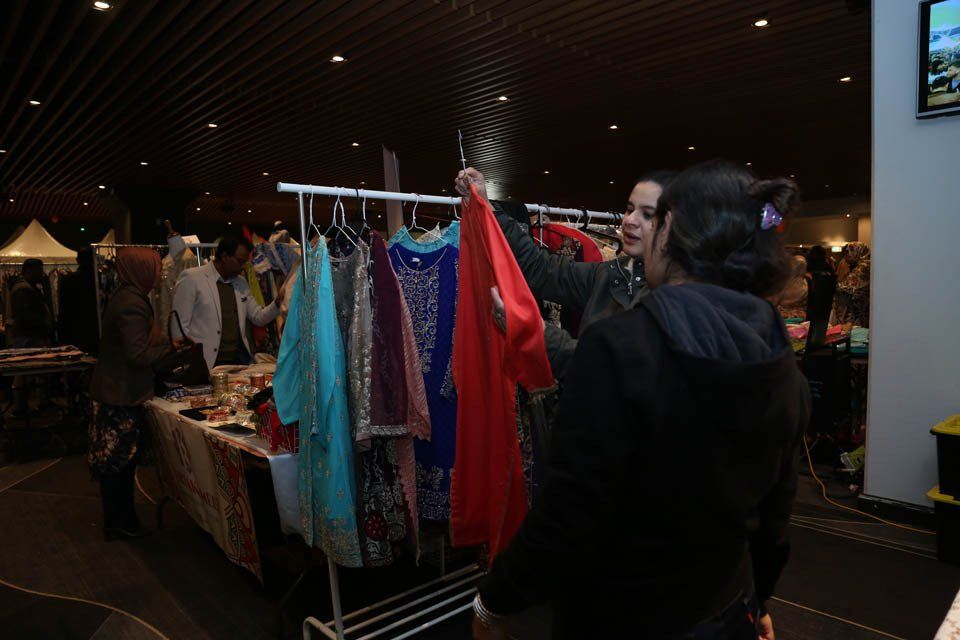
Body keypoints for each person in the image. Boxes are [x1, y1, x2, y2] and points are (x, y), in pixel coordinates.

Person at [472, 160, 810, 640]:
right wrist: (758, 601)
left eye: (654, 218)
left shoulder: (621, 348)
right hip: (724, 611)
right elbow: (774, 521)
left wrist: (495, 600)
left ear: (672, 231)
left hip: (623, 616)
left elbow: (569, 514)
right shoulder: (780, 360)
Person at [455, 167, 677, 381]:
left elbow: (610, 371)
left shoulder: (678, 299)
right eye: (629, 209)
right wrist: (486, 204)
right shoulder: (611, 273)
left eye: (647, 214)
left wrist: (536, 334)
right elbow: (541, 268)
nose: (629, 220)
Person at [89, 248, 185, 539]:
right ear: (141, 270)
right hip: (120, 395)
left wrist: (168, 345)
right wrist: (171, 350)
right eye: (156, 268)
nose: (160, 273)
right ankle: (121, 523)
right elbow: (137, 353)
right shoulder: (133, 302)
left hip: (116, 391)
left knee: (117, 465)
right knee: (119, 464)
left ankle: (120, 521)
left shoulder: (128, 295)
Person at [172, 235, 282, 369]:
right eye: (240, 261)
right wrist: (188, 363)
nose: (243, 267)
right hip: (204, 364)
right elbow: (179, 328)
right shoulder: (192, 278)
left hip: (237, 362)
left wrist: (277, 303)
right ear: (224, 256)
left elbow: (258, 317)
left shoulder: (240, 282)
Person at [58, 247, 100, 354]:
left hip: (74, 329)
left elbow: (63, 308)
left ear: (77, 261)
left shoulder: (68, 280)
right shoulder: (98, 279)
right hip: (94, 329)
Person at [834, 242, 871, 327]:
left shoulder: (864, 266)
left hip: (860, 306)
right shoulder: (867, 264)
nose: (849, 255)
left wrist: (838, 286)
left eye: (851, 252)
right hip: (864, 304)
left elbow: (848, 286)